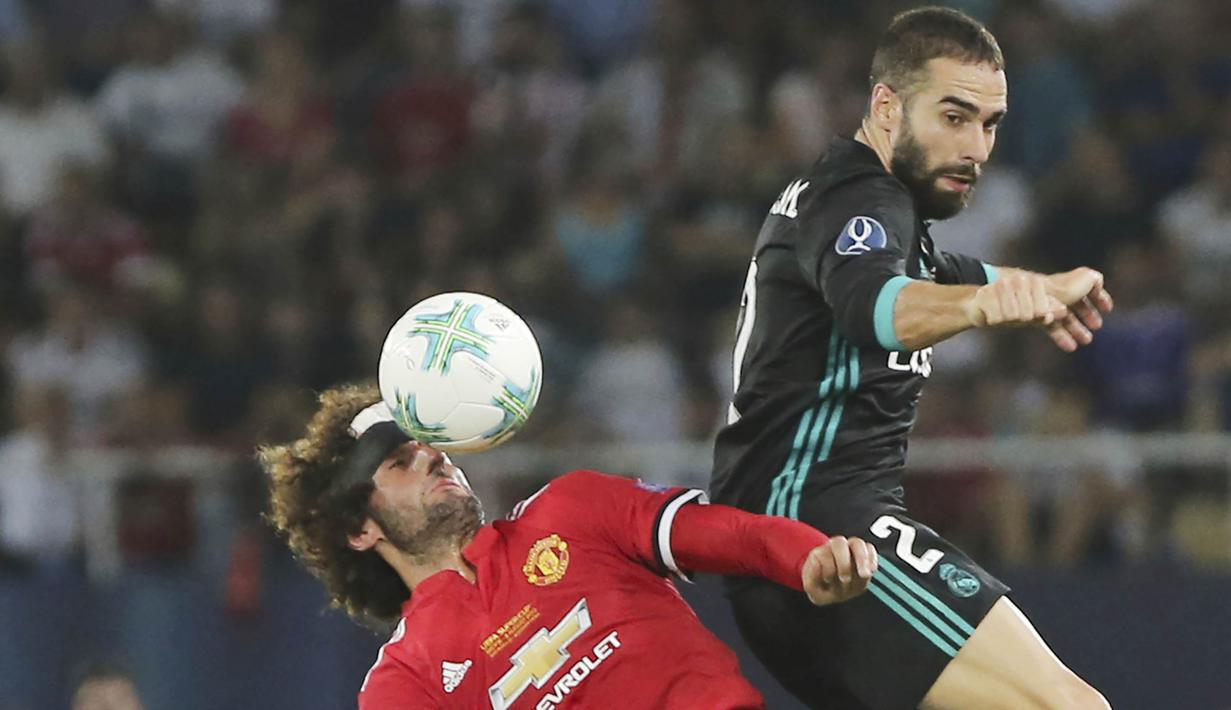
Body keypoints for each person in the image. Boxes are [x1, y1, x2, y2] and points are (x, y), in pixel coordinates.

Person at [710, 7, 1113, 709]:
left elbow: (938, 269)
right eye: (954, 117)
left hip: (804, 550)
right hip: (823, 533)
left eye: (989, 124)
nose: (976, 148)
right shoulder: (861, 195)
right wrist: (985, 308)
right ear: (887, 106)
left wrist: (1033, 288)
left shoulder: (863, 202)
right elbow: (875, 307)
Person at [261, 383, 878, 709]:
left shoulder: (574, 509)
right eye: (401, 462)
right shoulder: (403, 684)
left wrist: (808, 557)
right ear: (359, 530)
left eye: (433, 446)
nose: (432, 457)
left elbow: (733, 533)